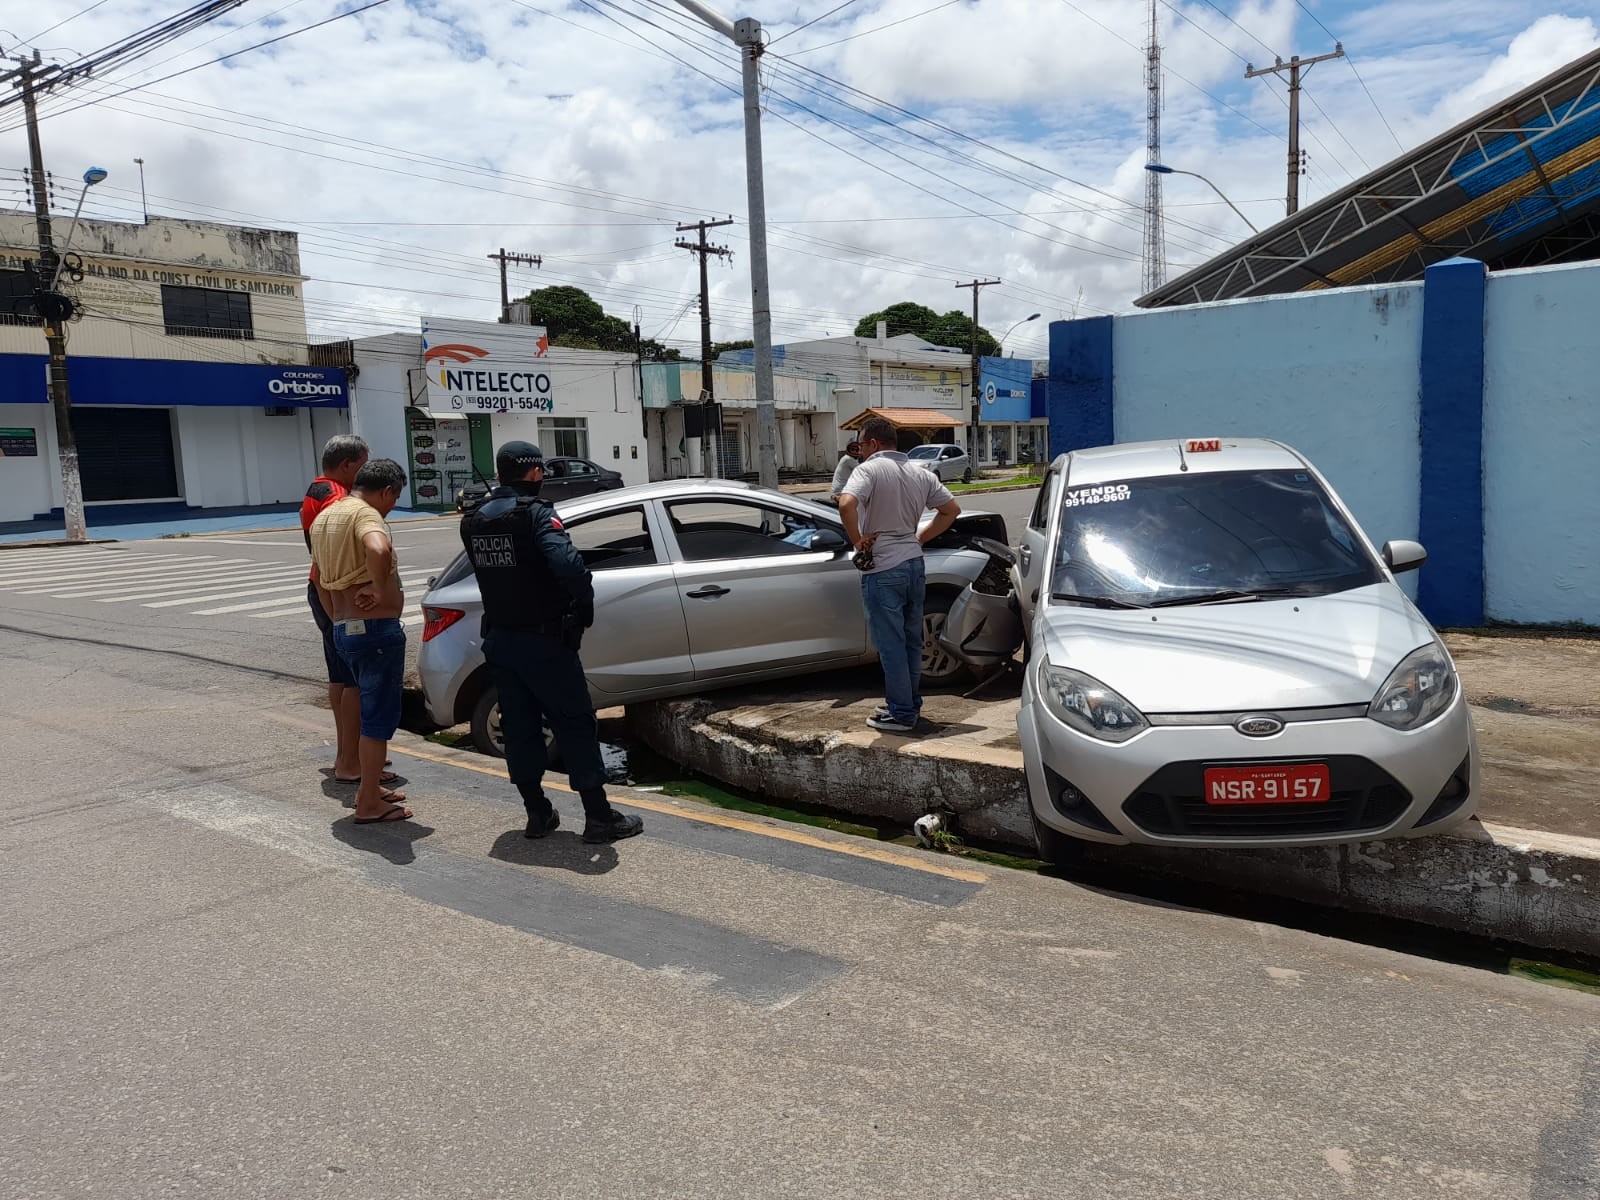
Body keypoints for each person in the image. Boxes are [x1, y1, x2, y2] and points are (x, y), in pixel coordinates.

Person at [459, 440, 643, 845]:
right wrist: (583, 601)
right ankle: (599, 818)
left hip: (501, 642)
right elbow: (568, 565)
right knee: (574, 723)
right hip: (544, 643)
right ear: (536, 473)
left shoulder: (473, 520)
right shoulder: (537, 515)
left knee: (520, 727)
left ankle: (537, 813)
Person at [838, 419, 962, 734]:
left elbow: (846, 503)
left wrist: (857, 540)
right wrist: (920, 536)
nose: (860, 452)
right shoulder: (920, 473)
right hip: (914, 564)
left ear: (874, 444)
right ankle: (907, 703)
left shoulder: (868, 471)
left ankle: (902, 713)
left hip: (883, 568)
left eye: (861, 446)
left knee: (890, 645)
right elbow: (951, 510)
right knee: (910, 641)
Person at [309, 459, 415, 825]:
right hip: (375, 632)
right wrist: (378, 586)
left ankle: (368, 786)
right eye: (394, 498)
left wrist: (339, 619)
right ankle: (369, 801)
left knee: (369, 708)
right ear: (386, 491)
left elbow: (320, 579)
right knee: (378, 718)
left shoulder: (327, 517)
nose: (391, 507)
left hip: (343, 629)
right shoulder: (366, 515)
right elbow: (379, 550)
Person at [301, 434, 369, 784]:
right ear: (347, 465)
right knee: (353, 680)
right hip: (333, 591)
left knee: (340, 676)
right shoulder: (336, 499)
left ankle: (349, 754)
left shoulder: (317, 490)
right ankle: (351, 760)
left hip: (322, 587)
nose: (364, 472)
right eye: (362, 465)